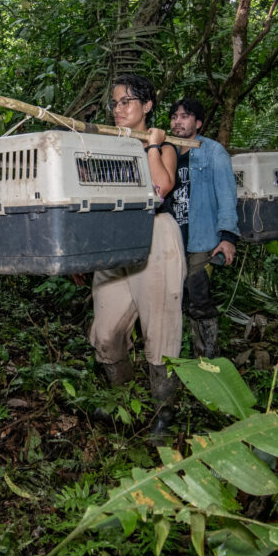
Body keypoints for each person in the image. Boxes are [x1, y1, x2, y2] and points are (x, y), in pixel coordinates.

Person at [88, 74, 186, 438]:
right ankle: (125, 404)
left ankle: (163, 412)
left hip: (156, 234)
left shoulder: (166, 146)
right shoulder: (103, 145)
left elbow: (160, 187)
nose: (118, 109)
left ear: (147, 106)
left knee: (160, 328)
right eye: (114, 102)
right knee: (106, 333)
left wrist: (151, 146)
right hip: (114, 239)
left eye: (126, 101)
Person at [167, 98, 239, 359]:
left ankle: (207, 360)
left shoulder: (213, 151)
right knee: (174, 298)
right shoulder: (166, 151)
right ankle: (179, 356)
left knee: (199, 296)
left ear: (197, 123)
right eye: (174, 116)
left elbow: (227, 195)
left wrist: (228, 237)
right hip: (171, 238)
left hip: (202, 238)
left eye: (185, 116)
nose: (178, 121)